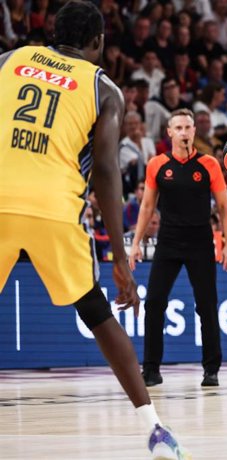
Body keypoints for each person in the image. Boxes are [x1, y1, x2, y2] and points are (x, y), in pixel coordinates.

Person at [0, 2, 186, 458]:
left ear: (49, 31)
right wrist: (121, 259)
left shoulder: (10, 60)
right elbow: (105, 169)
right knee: (97, 313)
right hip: (53, 206)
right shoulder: (104, 88)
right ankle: (155, 430)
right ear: (98, 43)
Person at [129, 108, 227, 388]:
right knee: (153, 303)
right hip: (169, 240)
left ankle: (211, 370)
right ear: (169, 132)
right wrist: (136, 243)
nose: (185, 133)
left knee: (207, 306)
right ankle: (151, 370)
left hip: (201, 240)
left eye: (188, 128)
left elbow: (224, 207)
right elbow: (147, 206)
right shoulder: (157, 164)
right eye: (179, 128)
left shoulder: (209, 164)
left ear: (194, 131)